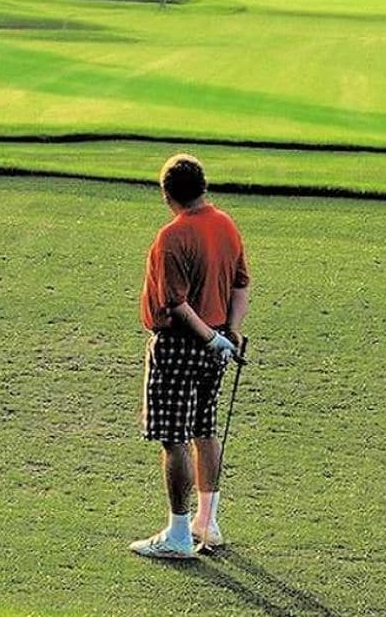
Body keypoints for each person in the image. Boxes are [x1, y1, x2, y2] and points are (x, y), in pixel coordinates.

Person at [130, 154, 250, 559]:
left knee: (173, 437)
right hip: (216, 341)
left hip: (181, 345)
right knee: (204, 429)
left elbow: (176, 305)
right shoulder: (226, 225)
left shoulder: (172, 237)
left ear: (167, 194)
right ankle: (207, 522)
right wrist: (229, 332)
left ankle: (179, 533)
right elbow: (240, 285)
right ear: (203, 186)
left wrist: (210, 338)